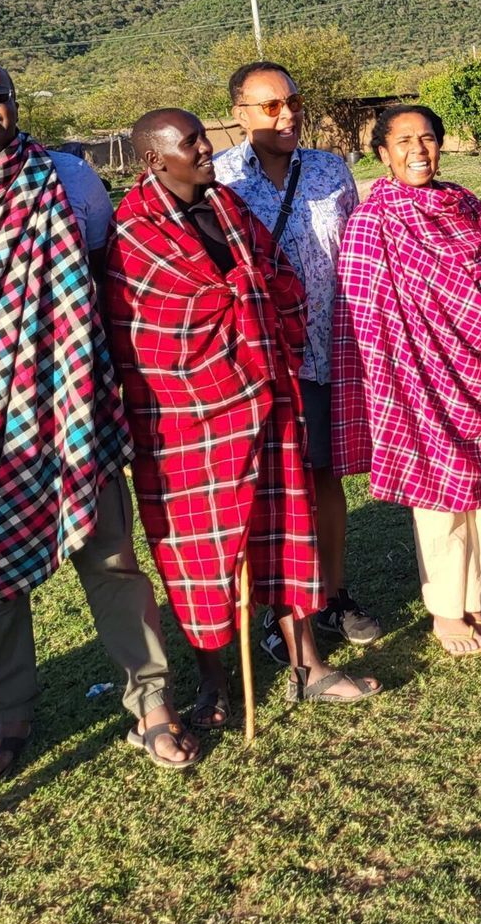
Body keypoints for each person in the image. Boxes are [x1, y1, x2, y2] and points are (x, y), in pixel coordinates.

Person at [0, 59, 196, 781]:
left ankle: (151, 705)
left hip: (66, 405)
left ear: (15, 106)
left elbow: (104, 276)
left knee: (111, 559)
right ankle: (10, 715)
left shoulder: (66, 178)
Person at [106, 111, 377, 717]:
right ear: (155, 160)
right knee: (199, 549)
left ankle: (307, 663)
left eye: (204, 136)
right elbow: (148, 333)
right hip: (184, 417)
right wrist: (231, 306)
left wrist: (257, 313)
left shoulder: (228, 208)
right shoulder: (135, 233)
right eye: (192, 143)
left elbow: (279, 277)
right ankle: (215, 682)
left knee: (284, 528)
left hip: (267, 395)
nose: (207, 149)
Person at [333, 105, 481, 655]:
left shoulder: (467, 204)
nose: (418, 150)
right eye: (403, 141)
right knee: (439, 492)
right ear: (382, 154)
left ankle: (477, 598)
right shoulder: (373, 223)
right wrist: (392, 377)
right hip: (417, 375)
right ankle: (446, 612)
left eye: (427, 138)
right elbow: (363, 309)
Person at [214, 62, 383, 649]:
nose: (287, 115)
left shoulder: (331, 169)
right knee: (275, 488)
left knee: (327, 476)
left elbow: (359, 250)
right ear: (238, 113)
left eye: (294, 102)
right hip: (261, 357)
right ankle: (282, 609)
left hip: (332, 347)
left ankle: (334, 595)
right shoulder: (221, 179)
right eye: (270, 106)